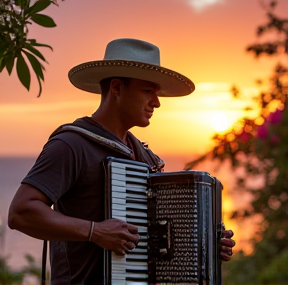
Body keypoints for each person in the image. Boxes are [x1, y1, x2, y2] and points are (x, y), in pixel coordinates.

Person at [8, 38, 235, 284]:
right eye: (148, 91)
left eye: (157, 93)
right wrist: (95, 231)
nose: (157, 102)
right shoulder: (71, 145)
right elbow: (21, 213)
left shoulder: (146, 157)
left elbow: (156, 240)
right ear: (116, 87)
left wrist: (205, 244)